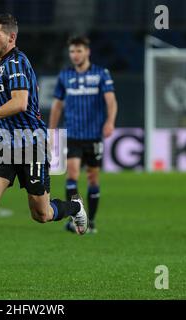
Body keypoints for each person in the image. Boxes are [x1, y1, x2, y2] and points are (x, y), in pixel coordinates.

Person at [0, 14, 88, 289]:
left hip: (30, 145)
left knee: (41, 214)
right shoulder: (0, 63)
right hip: (4, 144)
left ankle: (74, 206)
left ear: (11, 37)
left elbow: (19, 103)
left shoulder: (15, 62)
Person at [49, 36, 118, 234]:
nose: (75, 55)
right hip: (73, 134)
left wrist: (110, 121)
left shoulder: (101, 74)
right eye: (72, 51)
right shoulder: (65, 76)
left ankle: (92, 221)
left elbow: (111, 100)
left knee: (93, 177)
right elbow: (57, 106)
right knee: (72, 174)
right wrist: (52, 131)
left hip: (94, 135)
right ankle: (77, 220)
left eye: (79, 51)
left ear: (87, 52)